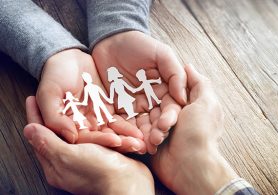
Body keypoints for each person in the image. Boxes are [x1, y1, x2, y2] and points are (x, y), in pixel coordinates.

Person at [24, 64, 258, 195]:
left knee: (110, 114)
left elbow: (116, 89)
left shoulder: (115, 83)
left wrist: (121, 184)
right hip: (110, 105)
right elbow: (97, 94)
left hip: (120, 104)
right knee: (108, 114)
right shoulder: (102, 86)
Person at [0, 0, 185, 153]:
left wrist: (118, 25)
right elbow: (102, 94)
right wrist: (51, 49)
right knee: (104, 111)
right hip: (105, 102)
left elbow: (119, 90)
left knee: (110, 109)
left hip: (122, 98)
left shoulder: (115, 82)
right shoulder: (96, 87)